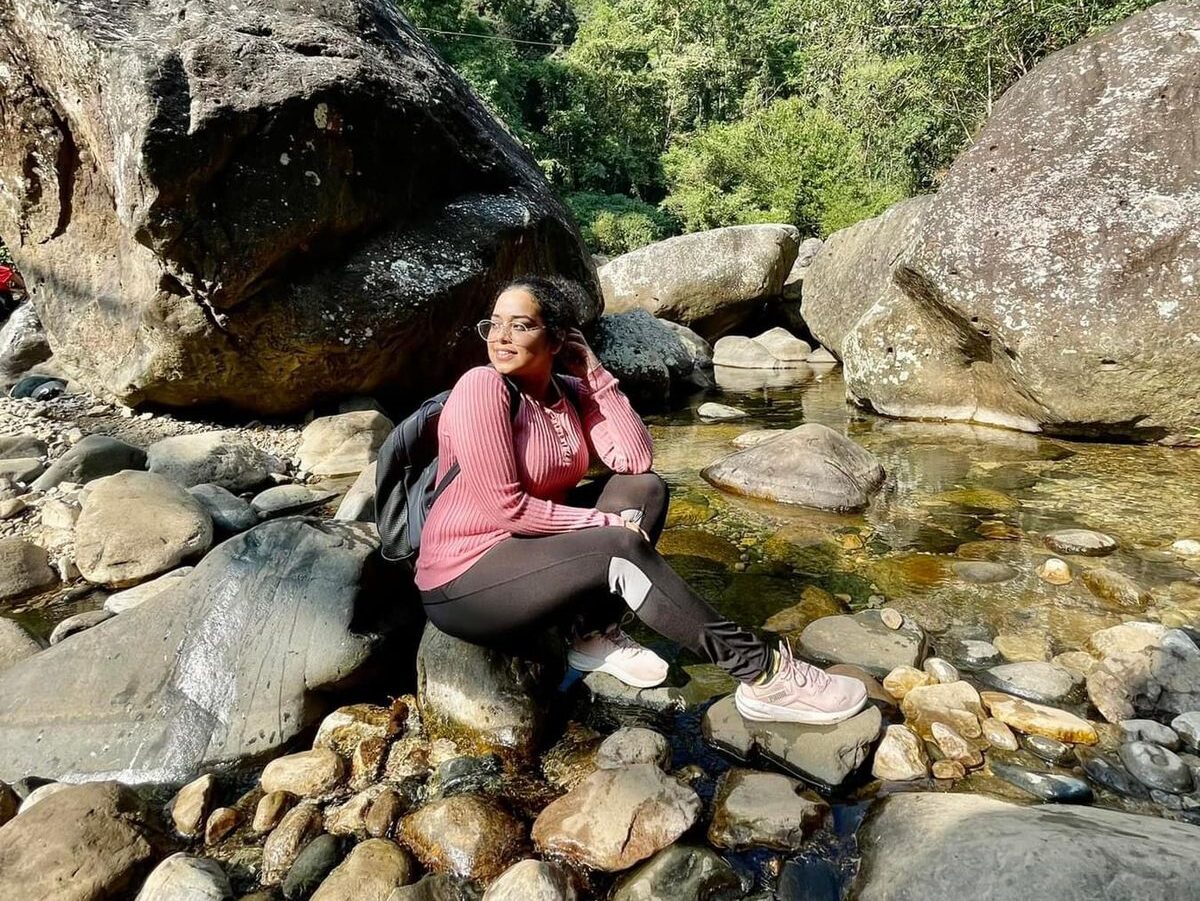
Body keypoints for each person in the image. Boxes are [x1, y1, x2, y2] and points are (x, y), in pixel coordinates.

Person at [413, 276, 867, 724]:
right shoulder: (482, 387)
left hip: (529, 552)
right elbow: (505, 509)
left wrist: (594, 376)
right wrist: (606, 528)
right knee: (620, 546)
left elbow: (634, 459)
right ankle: (765, 675)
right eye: (494, 325)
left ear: (556, 339)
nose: (501, 338)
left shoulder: (567, 393)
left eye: (520, 325)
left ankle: (592, 634)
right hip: (466, 578)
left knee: (646, 489)